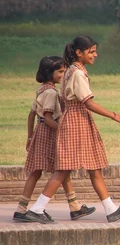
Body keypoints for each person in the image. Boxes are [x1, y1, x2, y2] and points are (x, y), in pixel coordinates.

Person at [25, 36, 120, 223]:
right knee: (65, 169)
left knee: (92, 167)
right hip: (77, 120)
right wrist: (114, 115)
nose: (95, 55)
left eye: (94, 51)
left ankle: (110, 208)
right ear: (79, 53)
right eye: (91, 52)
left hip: (76, 120)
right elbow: (88, 102)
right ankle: (37, 208)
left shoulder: (72, 71)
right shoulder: (76, 73)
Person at [14, 56, 95, 222]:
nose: (63, 74)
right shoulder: (51, 92)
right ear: (48, 73)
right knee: (56, 170)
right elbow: (49, 118)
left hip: (39, 133)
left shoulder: (42, 89)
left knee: (58, 170)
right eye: (60, 71)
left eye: (64, 71)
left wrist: (30, 137)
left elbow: (31, 115)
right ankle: (24, 209)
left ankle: (74, 206)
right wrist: (65, 129)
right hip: (49, 135)